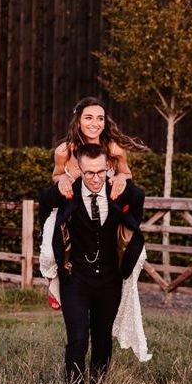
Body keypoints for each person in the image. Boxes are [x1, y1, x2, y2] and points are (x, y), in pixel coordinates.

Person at [39, 143, 147, 384]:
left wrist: (123, 175)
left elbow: (139, 200)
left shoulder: (118, 190)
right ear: (80, 170)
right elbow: (44, 204)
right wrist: (61, 181)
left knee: (102, 338)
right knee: (77, 338)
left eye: (100, 172)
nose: (95, 178)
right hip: (75, 279)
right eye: (89, 173)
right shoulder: (69, 192)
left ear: (106, 166)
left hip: (110, 280)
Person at [42, 97, 147, 309]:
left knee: (133, 251)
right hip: (74, 212)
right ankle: (55, 285)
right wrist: (62, 178)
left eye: (100, 118)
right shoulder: (64, 151)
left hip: (103, 214)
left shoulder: (114, 149)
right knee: (50, 248)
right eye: (88, 118)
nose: (94, 123)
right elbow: (56, 175)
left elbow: (126, 173)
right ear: (78, 121)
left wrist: (120, 178)